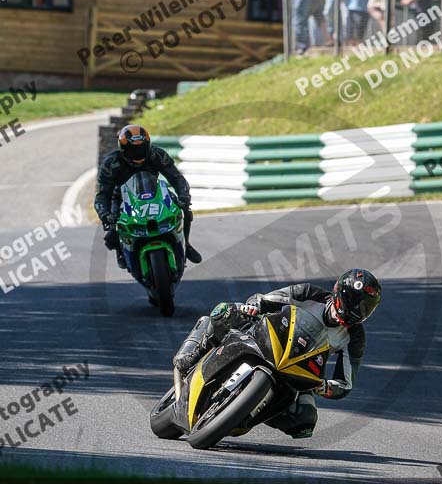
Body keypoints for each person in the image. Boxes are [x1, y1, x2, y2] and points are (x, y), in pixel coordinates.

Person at [173, 269, 382, 439]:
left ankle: (246, 412)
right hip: (265, 338)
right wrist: (254, 307)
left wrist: (325, 387)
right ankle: (196, 350)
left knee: (304, 422)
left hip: (296, 371)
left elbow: (345, 382)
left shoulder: (354, 338)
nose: (359, 311)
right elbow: (267, 299)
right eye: (356, 303)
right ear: (340, 294)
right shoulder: (309, 293)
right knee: (225, 312)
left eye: (366, 308)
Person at [94, 124, 202, 269]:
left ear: (148, 145)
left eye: (141, 148)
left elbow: (176, 178)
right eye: (133, 149)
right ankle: (121, 251)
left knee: (184, 209)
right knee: (111, 233)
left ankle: (186, 245)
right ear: (123, 149)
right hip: (122, 197)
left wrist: (184, 195)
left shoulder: (157, 155)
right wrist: (105, 214)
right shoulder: (111, 163)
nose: (137, 153)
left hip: (156, 191)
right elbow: (102, 195)